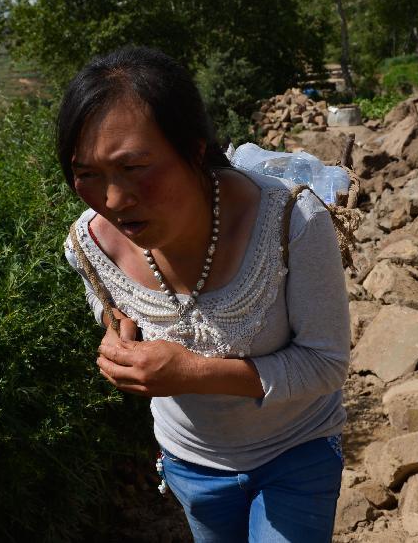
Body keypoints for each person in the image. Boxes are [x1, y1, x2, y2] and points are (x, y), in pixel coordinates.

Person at [58, 46, 351, 543]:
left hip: (297, 453)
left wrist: (190, 372)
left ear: (194, 149)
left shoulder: (290, 222)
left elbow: (326, 365)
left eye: (134, 167)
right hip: (189, 467)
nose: (114, 200)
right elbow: (117, 315)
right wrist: (118, 344)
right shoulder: (89, 245)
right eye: (87, 174)